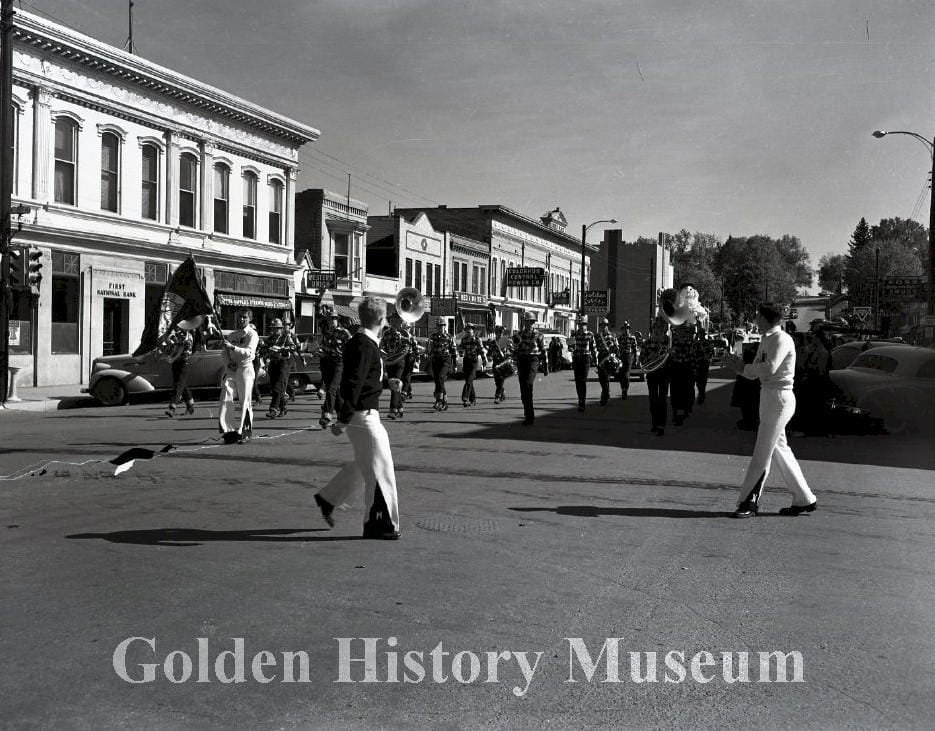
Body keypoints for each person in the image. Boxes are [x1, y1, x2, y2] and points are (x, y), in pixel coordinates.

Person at [313, 297, 401, 540]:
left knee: (366, 465)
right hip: (364, 417)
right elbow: (353, 383)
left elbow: (363, 377)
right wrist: (343, 418)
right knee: (381, 471)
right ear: (382, 320)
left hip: (362, 414)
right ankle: (379, 524)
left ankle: (328, 499)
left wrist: (386, 382)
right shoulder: (364, 344)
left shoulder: (363, 342)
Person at [723, 302, 817, 518]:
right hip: (770, 397)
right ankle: (804, 498)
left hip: (778, 397)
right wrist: (737, 366)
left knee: (763, 451)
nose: (755, 319)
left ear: (765, 318)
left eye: (757, 316)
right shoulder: (768, 339)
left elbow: (769, 368)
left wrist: (741, 367)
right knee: (779, 449)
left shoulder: (780, 339)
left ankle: (748, 501)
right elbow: (757, 372)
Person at [217, 309, 260, 444]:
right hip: (232, 370)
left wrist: (233, 348)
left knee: (245, 401)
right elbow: (224, 353)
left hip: (246, 369)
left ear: (249, 319)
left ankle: (243, 431)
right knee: (225, 397)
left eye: (245, 317)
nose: (242, 319)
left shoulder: (253, 335)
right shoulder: (232, 335)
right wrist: (228, 363)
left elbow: (249, 353)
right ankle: (228, 430)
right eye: (240, 317)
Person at [318, 308, 351, 428]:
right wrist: (319, 351)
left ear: (338, 320)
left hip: (339, 363)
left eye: (334, 319)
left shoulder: (344, 333)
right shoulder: (326, 334)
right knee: (336, 392)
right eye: (330, 319)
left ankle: (326, 415)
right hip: (327, 363)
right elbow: (323, 347)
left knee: (331, 388)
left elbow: (352, 348)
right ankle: (342, 416)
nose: (332, 321)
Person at [514, 312, 548, 425]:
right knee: (523, 389)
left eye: (530, 322)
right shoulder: (519, 335)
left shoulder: (539, 335)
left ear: (533, 322)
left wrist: (546, 365)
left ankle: (530, 415)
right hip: (522, 361)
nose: (528, 324)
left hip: (533, 360)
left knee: (528, 384)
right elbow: (515, 349)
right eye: (526, 322)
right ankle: (527, 413)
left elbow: (543, 350)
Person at [263, 318, 298, 419]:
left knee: (278, 386)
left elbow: (293, 347)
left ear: (281, 329)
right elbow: (264, 348)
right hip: (273, 364)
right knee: (275, 388)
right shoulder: (270, 339)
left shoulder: (286, 337)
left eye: (277, 329)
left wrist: (283, 349)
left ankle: (273, 409)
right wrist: (267, 349)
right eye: (273, 329)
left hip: (284, 363)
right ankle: (283, 408)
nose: (275, 331)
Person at [643, 315, 671, 436]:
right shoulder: (647, 342)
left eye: (660, 329)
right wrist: (650, 357)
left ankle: (661, 426)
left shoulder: (668, 342)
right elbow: (642, 358)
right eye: (655, 329)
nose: (657, 331)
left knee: (662, 400)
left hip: (664, 374)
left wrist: (669, 354)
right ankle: (655, 423)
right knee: (653, 400)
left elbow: (672, 358)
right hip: (652, 374)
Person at [380, 311, 409, 419]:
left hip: (399, 361)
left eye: (396, 320)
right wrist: (384, 355)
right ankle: (400, 407)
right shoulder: (386, 333)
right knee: (393, 385)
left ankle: (393, 410)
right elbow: (382, 346)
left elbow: (407, 347)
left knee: (395, 383)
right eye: (392, 320)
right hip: (389, 361)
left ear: (400, 321)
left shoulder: (404, 333)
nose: (393, 322)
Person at [163, 327, 195, 418]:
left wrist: (173, 358)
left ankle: (172, 407)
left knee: (178, 385)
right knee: (182, 385)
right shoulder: (179, 334)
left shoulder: (186, 335)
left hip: (183, 362)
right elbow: (172, 344)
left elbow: (180, 348)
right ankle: (190, 405)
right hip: (177, 363)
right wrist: (167, 337)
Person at [427, 319, 456, 410]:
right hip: (436, 360)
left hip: (445, 360)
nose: (440, 328)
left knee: (440, 377)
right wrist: (428, 354)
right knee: (438, 381)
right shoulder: (433, 336)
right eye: (439, 326)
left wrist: (454, 364)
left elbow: (454, 351)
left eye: (442, 326)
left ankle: (438, 400)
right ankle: (445, 401)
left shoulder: (449, 337)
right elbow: (429, 348)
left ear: (445, 326)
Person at [570, 317, 598, 412]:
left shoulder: (590, 334)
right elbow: (570, 347)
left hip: (586, 358)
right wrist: (571, 349)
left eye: (583, 324)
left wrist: (595, 360)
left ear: (586, 325)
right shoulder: (574, 334)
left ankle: (582, 401)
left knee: (583, 380)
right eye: (580, 324)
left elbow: (593, 348)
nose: (581, 326)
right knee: (578, 381)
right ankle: (580, 399)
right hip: (577, 358)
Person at [594, 317, 623, 406]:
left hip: (609, 357)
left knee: (606, 377)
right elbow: (595, 347)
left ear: (607, 326)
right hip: (601, 356)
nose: (603, 327)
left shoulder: (612, 336)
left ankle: (604, 395)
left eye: (605, 325)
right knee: (601, 378)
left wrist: (616, 356)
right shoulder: (598, 336)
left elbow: (617, 348)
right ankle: (606, 391)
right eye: (602, 325)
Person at [457, 324, 487, 406]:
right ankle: (473, 399)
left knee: (469, 379)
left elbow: (481, 350)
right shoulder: (464, 340)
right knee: (469, 380)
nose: (468, 331)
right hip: (466, 361)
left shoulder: (477, 339)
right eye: (466, 330)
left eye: (469, 329)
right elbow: (460, 348)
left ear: (473, 330)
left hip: (474, 361)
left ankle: (465, 397)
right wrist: (460, 351)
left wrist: (484, 361)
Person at [486, 325, 513, 404]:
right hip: (496, 363)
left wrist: (509, 356)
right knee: (497, 381)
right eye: (498, 333)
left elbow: (512, 350)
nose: (500, 334)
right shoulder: (492, 343)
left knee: (501, 380)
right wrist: (489, 357)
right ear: (496, 333)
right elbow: (489, 353)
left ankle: (497, 396)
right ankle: (502, 392)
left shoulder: (506, 341)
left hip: (503, 363)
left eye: (501, 332)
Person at [399, 318, 420, 402]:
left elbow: (416, 349)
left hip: (410, 356)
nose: (407, 329)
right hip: (401, 357)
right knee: (403, 375)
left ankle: (404, 392)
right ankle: (409, 391)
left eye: (407, 328)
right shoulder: (399, 336)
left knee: (407, 374)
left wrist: (417, 360)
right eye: (405, 328)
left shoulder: (411, 337)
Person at [617, 321, 638, 399]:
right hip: (621, 357)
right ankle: (623, 388)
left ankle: (625, 390)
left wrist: (636, 358)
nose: (626, 330)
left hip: (629, 356)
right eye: (625, 328)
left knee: (626, 374)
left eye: (628, 328)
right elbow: (616, 348)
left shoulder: (632, 338)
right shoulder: (619, 338)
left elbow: (635, 349)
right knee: (620, 374)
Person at [692, 321, 710, 406]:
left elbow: (709, 354)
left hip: (704, 364)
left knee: (703, 381)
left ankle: (701, 394)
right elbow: (693, 351)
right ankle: (700, 393)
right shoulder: (696, 343)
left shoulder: (707, 343)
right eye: (699, 334)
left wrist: (702, 348)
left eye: (701, 334)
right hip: (697, 364)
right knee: (698, 381)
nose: (700, 336)